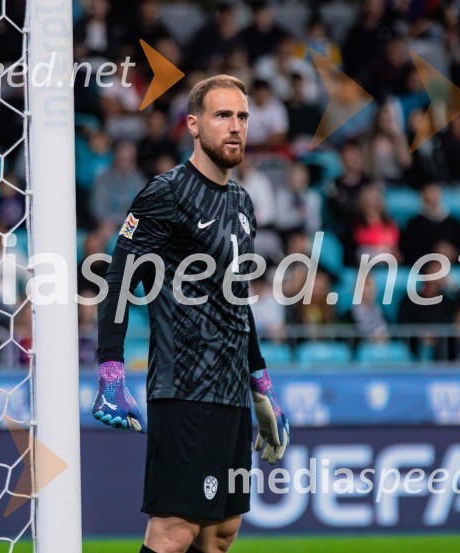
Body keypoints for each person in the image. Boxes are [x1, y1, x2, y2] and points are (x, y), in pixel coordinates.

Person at [91, 75, 290, 553]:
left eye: (242, 116)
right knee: (174, 531)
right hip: (183, 388)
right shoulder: (167, 193)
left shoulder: (243, 204)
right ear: (194, 125)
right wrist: (111, 370)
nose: (236, 127)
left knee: (220, 535)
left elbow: (236, 302)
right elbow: (118, 280)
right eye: (224, 116)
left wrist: (260, 387)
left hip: (230, 395)